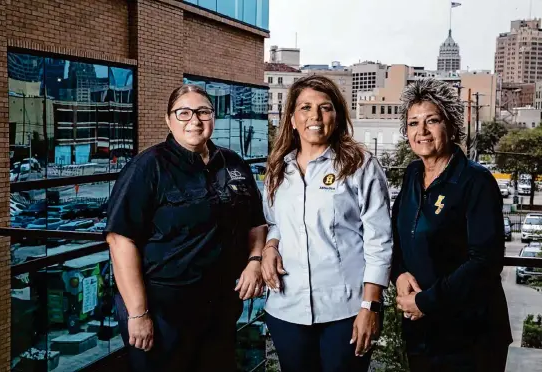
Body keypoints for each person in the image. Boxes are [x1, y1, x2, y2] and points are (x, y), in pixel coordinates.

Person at [104, 84, 267, 372]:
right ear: (169, 120)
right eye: (184, 113)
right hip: (164, 313)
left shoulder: (234, 163)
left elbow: (256, 222)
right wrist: (138, 313)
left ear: (213, 117)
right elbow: (120, 241)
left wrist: (255, 260)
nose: (194, 120)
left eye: (203, 111)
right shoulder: (147, 168)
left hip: (220, 309)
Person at [261, 75, 393, 372]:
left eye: (325, 107)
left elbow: (379, 240)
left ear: (337, 115)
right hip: (287, 309)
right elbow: (275, 222)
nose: (315, 116)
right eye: (305, 108)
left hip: (345, 311)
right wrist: (270, 246)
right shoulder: (278, 169)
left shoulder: (360, 165)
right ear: (292, 119)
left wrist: (370, 307)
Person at [392, 78, 512, 372]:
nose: (421, 131)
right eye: (413, 123)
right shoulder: (411, 174)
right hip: (421, 332)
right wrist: (398, 273)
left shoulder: (476, 181)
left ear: (451, 125)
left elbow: (485, 261)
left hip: (470, 336)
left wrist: (426, 301)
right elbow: (398, 234)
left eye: (431, 121)